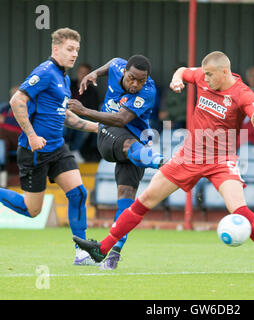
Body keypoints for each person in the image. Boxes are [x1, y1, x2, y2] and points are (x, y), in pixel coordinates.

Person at [73, 51, 254, 276]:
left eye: (210, 75)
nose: (205, 79)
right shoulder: (202, 75)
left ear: (225, 72)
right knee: (144, 200)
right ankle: (102, 249)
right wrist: (177, 78)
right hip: (189, 155)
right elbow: (184, 71)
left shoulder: (243, 94)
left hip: (221, 160)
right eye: (204, 74)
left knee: (239, 210)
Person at [0, 28, 99, 265]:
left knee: (78, 193)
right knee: (32, 210)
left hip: (58, 149)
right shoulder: (45, 72)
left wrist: (97, 127)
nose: (74, 54)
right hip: (35, 151)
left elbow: (64, 116)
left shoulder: (64, 77)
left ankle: (82, 252)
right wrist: (32, 136)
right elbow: (17, 101)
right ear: (56, 49)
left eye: (76, 49)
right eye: (69, 49)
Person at [68, 54, 163, 270]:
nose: (136, 84)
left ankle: (114, 254)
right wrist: (95, 73)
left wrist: (83, 111)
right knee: (129, 144)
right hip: (109, 137)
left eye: (141, 80)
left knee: (126, 197)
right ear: (124, 72)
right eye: (132, 78)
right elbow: (112, 63)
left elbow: (121, 119)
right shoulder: (117, 66)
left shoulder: (148, 90)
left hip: (133, 140)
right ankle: (160, 162)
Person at [64, 63, 100, 163]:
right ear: (77, 72)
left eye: (85, 73)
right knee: (61, 119)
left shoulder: (92, 92)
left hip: (82, 116)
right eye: (80, 72)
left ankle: (74, 150)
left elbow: (93, 111)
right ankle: (64, 147)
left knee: (86, 126)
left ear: (89, 75)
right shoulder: (70, 84)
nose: (82, 75)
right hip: (67, 113)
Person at [159, 63, 187, 130]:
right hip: (168, 119)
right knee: (155, 127)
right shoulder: (169, 89)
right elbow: (162, 112)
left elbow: (186, 108)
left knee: (175, 128)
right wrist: (167, 119)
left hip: (182, 120)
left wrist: (169, 113)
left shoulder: (190, 89)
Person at [0, 86, 22, 157]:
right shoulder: (6, 108)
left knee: (1, 131)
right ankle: (5, 167)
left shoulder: (27, 108)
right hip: (6, 137)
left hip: (20, 136)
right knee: (4, 142)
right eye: (13, 95)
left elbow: (23, 123)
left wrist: (5, 120)